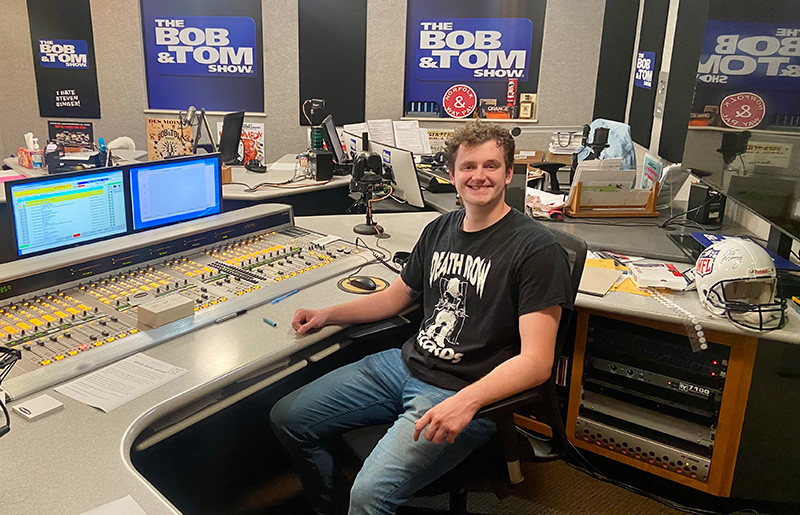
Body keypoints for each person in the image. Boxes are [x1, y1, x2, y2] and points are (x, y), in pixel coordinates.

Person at [270, 121, 573, 515]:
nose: (479, 176)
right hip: (402, 366)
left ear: (508, 173)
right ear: (451, 175)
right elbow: (396, 297)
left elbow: (536, 362)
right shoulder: (440, 228)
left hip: (462, 391)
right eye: (468, 167)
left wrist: (467, 403)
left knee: (368, 495)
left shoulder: (535, 249)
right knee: (288, 418)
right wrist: (329, 314)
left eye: (491, 166)